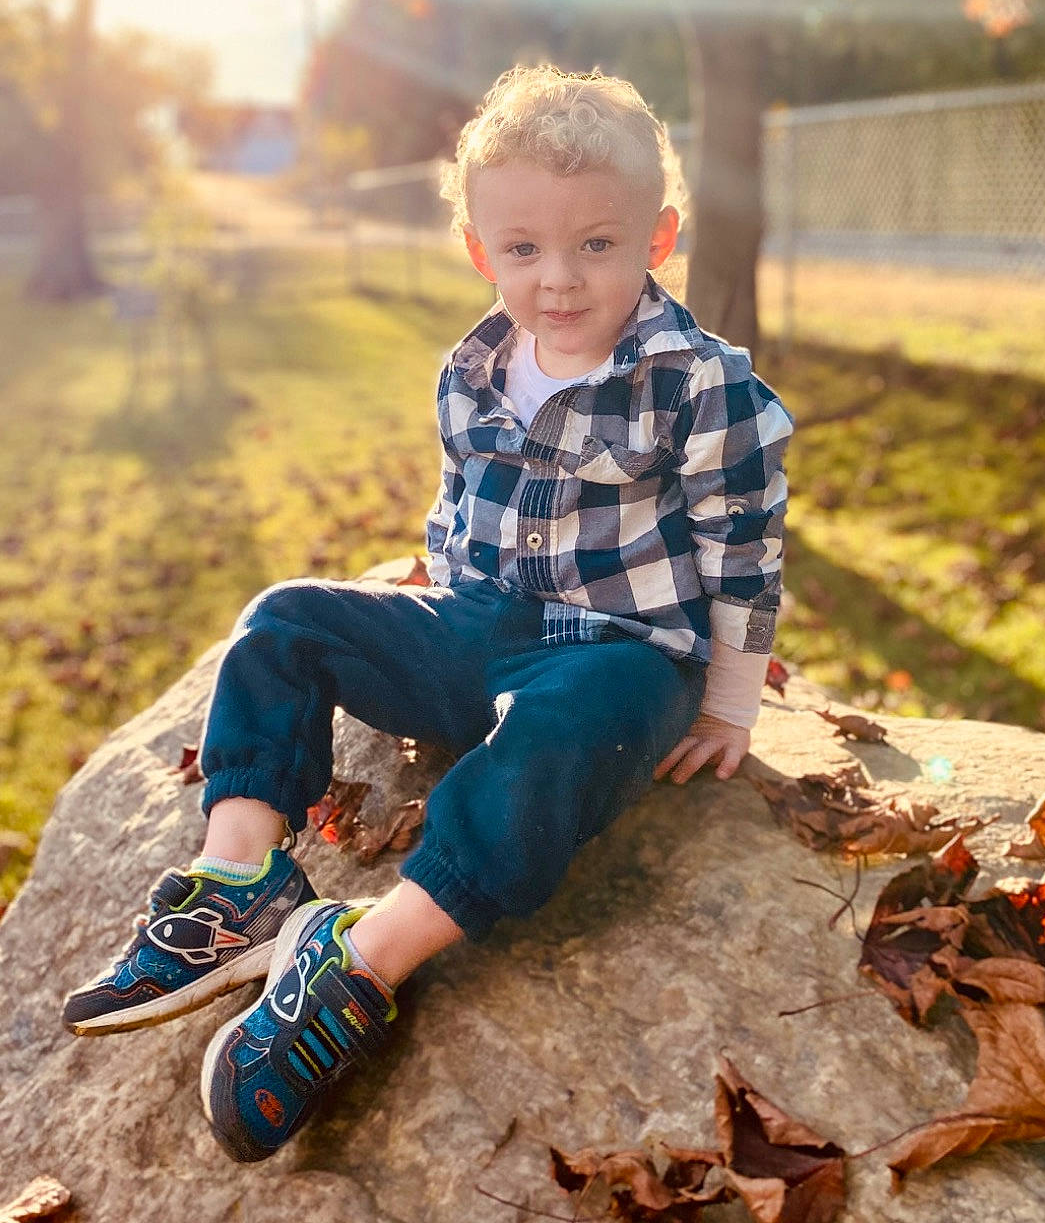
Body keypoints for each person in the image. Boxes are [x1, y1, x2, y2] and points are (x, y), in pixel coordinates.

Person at [62, 65, 793, 1163]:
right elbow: (463, 499)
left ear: (658, 235)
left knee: (567, 730)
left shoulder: (701, 381)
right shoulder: (472, 368)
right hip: (476, 621)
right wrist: (429, 581)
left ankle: (360, 958)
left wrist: (729, 696)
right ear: (479, 248)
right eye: (525, 248)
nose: (559, 278)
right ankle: (241, 878)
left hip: (616, 654)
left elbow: (744, 548)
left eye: (598, 243)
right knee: (285, 619)